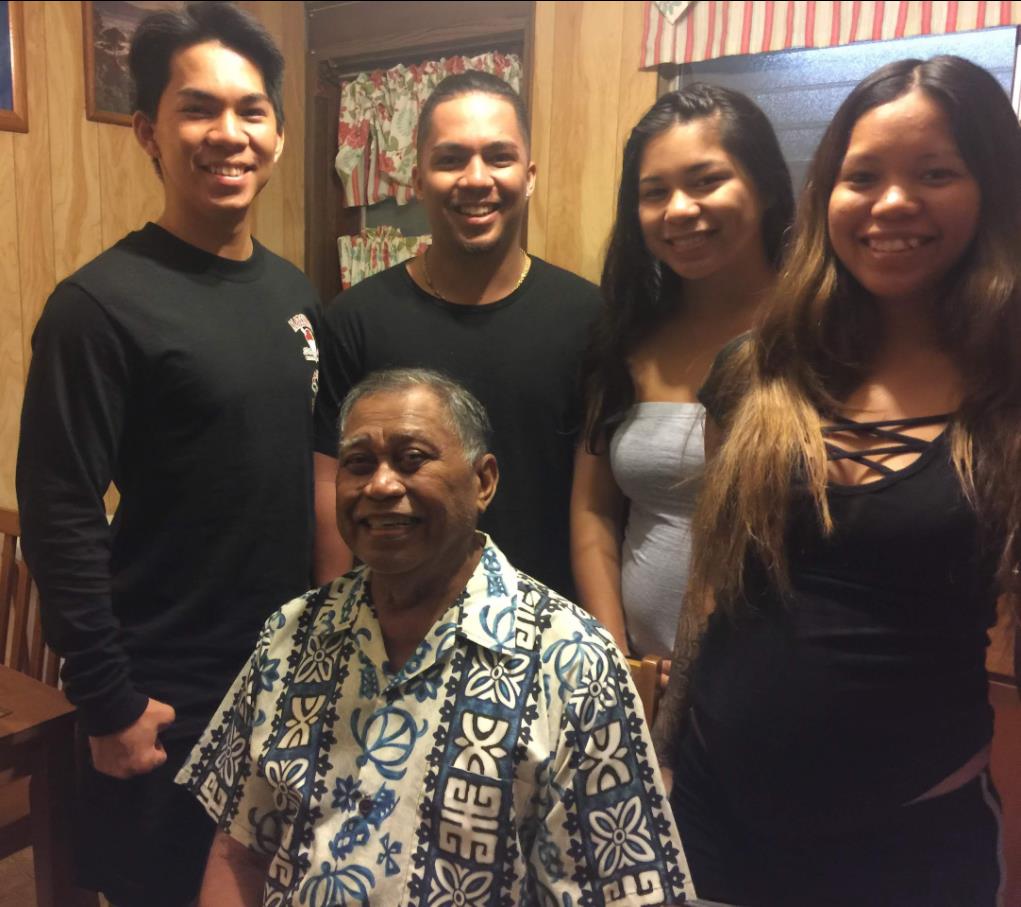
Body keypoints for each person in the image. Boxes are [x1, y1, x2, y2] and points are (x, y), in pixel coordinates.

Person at [654, 55, 1021, 906]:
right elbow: (711, 587)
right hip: (713, 817)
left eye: (934, 172)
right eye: (862, 177)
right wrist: (662, 753)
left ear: (992, 188)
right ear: (827, 193)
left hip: (908, 844)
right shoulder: (754, 369)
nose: (891, 203)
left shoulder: (1007, 391)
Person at [178, 368, 692, 906]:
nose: (380, 485)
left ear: (483, 481)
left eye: (411, 459)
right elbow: (239, 851)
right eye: (359, 464)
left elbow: (621, 890)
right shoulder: (292, 635)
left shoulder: (573, 662)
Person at [15, 4, 319, 904]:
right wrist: (106, 698)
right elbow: (60, 508)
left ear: (278, 132)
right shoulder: (99, 306)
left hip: (288, 682)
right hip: (168, 699)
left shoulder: (295, 293)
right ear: (147, 131)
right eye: (198, 108)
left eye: (251, 110)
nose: (229, 133)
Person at [313, 71, 601, 600]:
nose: (475, 178)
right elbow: (331, 481)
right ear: (418, 179)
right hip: (392, 619)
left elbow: (597, 508)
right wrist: (332, 617)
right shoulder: (356, 319)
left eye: (499, 157)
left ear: (529, 176)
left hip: (545, 628)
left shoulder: (589, 318)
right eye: (450, 159)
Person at [571, 85, 793, 667]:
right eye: (654, 192)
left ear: (767, 186)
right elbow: (594, 512)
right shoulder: (627, 338)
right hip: (642, 677)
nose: (678, 210)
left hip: (774, 682)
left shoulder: (813, 334)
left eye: (705, 181)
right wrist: (618, 660)